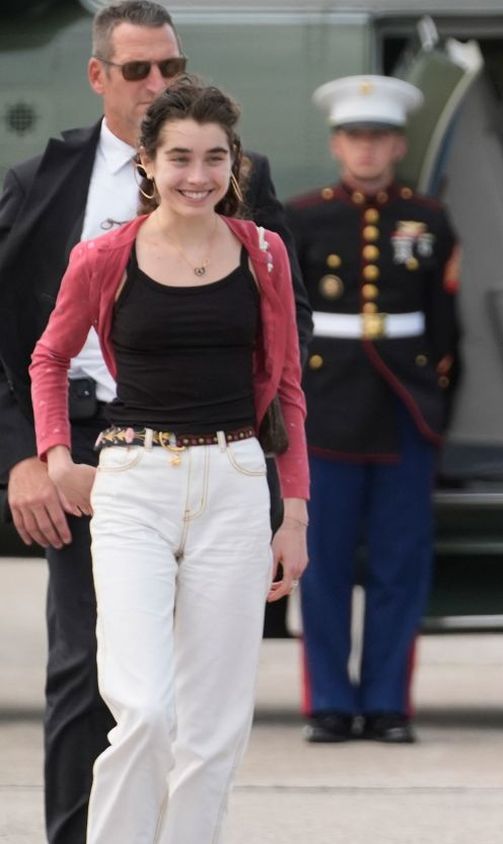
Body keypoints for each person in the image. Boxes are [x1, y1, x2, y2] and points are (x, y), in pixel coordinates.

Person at [0, 3, 308, 841]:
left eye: (168, 68)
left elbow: (285, 355)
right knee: (104, 688)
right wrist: (35, 455)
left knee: (211, 723)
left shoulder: (258, 226)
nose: (156, 84)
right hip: (101, 461)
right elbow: (29, 346)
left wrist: (292, 502)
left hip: (228, 464)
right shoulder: (43, 186)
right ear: (99, 77)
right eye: (137, 71)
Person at [285, 75, 460, 744]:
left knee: (399, 564)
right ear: (337, 143)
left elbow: (447, 326)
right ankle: (329, 702)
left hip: (403, 406)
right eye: (356, 137)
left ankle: (387, 703)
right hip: (325, 406)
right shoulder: (303, 218)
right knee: (321, 565)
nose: (367, 149)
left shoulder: (429, 218)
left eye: (379, 138)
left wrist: (437, 401)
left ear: (398, 145)